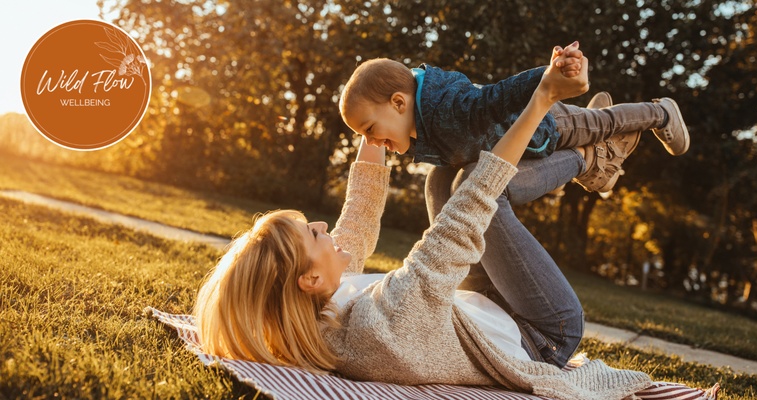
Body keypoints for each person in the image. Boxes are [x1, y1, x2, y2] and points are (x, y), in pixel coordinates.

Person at [194, 46, 656, 400]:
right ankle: (589, 157)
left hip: (481, 309)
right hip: (541, 332)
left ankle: (593, 157)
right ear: (309, 278)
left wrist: (371, 126)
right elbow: (474, 202)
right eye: (313, 234)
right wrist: (543, 98)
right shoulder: (382, 322)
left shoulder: (323, 306)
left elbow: (358, 214)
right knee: (474, 186)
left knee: (438, 179)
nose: (321, 224)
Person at [338, 42, 689, 193]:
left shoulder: (449, 107)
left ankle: (660, 112)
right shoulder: (417, 129)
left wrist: (551, 74)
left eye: (369, 129)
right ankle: (598, 155)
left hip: (548, 124)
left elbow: (498, 95)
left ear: (399, 102)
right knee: (596, 124)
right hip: (526, 151)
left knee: (604, 124)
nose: (370, 142)